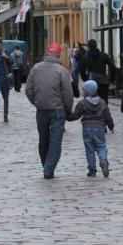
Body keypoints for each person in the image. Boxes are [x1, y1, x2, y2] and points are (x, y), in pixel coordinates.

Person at [25, 42, 75, 179]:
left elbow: (28, 90)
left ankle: (46, 165)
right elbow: (68, 93)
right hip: (58, 109)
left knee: (43, 139)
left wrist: (36, 102)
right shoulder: (62, 70)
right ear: (58, 54)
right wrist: (68, 109)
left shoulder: (35, 68)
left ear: (47, 52)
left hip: (41, 109)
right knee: (55, 140)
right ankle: (49, 168)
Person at [72, 79, 115, 178]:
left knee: (89, 150)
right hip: (99, 128)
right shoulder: (102, 103)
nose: (82, 91)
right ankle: (103, 161)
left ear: (87, 92)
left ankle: (92, 171)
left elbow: (75, 115)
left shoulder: (82, 103)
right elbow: (107, 116)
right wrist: (111, 126)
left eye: (84, 90)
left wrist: (67, 116)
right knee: (101, 147)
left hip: (87, 129)